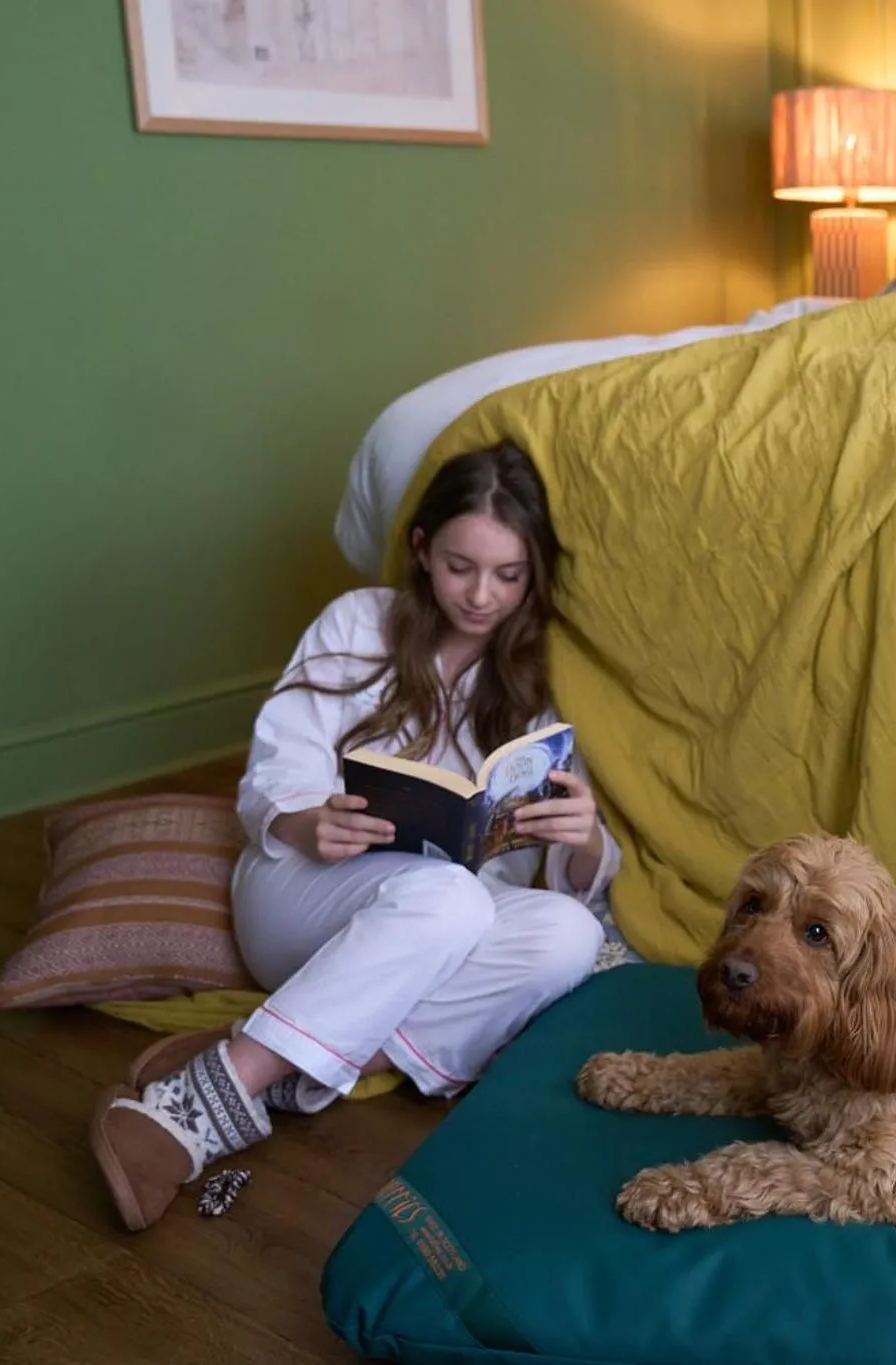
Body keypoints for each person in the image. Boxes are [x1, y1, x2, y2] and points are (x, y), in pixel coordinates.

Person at [91, 441, 615, 1231]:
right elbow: (274, 773)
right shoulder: (357, 622)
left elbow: (547, 872)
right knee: (448, 897)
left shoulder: (526, 678)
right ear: (419, 549)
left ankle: (275, 1061)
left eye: (508, 575)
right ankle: (195, 1108)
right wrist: (312, 819)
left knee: (569, 932)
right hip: (302, 892)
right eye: (459, 565)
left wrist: (583, 836)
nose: (481, 595)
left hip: (431, 933)